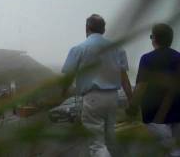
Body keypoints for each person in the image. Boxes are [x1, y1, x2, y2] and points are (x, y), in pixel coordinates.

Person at [62, 14, 133, 157]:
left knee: (97, 145)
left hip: (92, 98)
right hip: (113, 98)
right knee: (110, 139)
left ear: (87, 28)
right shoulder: (117, 49)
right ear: (104, 30)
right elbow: (124, 79)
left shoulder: (79, 49)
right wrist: (132, 100)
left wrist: (61, 95)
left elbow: (67, 78)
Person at [127, 23, 180, 156]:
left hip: (155, 115)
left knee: (166, 150)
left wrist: (132, 107)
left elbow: (141, 86)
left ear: (154, 38)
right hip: (178, 111)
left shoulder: (147, 59)